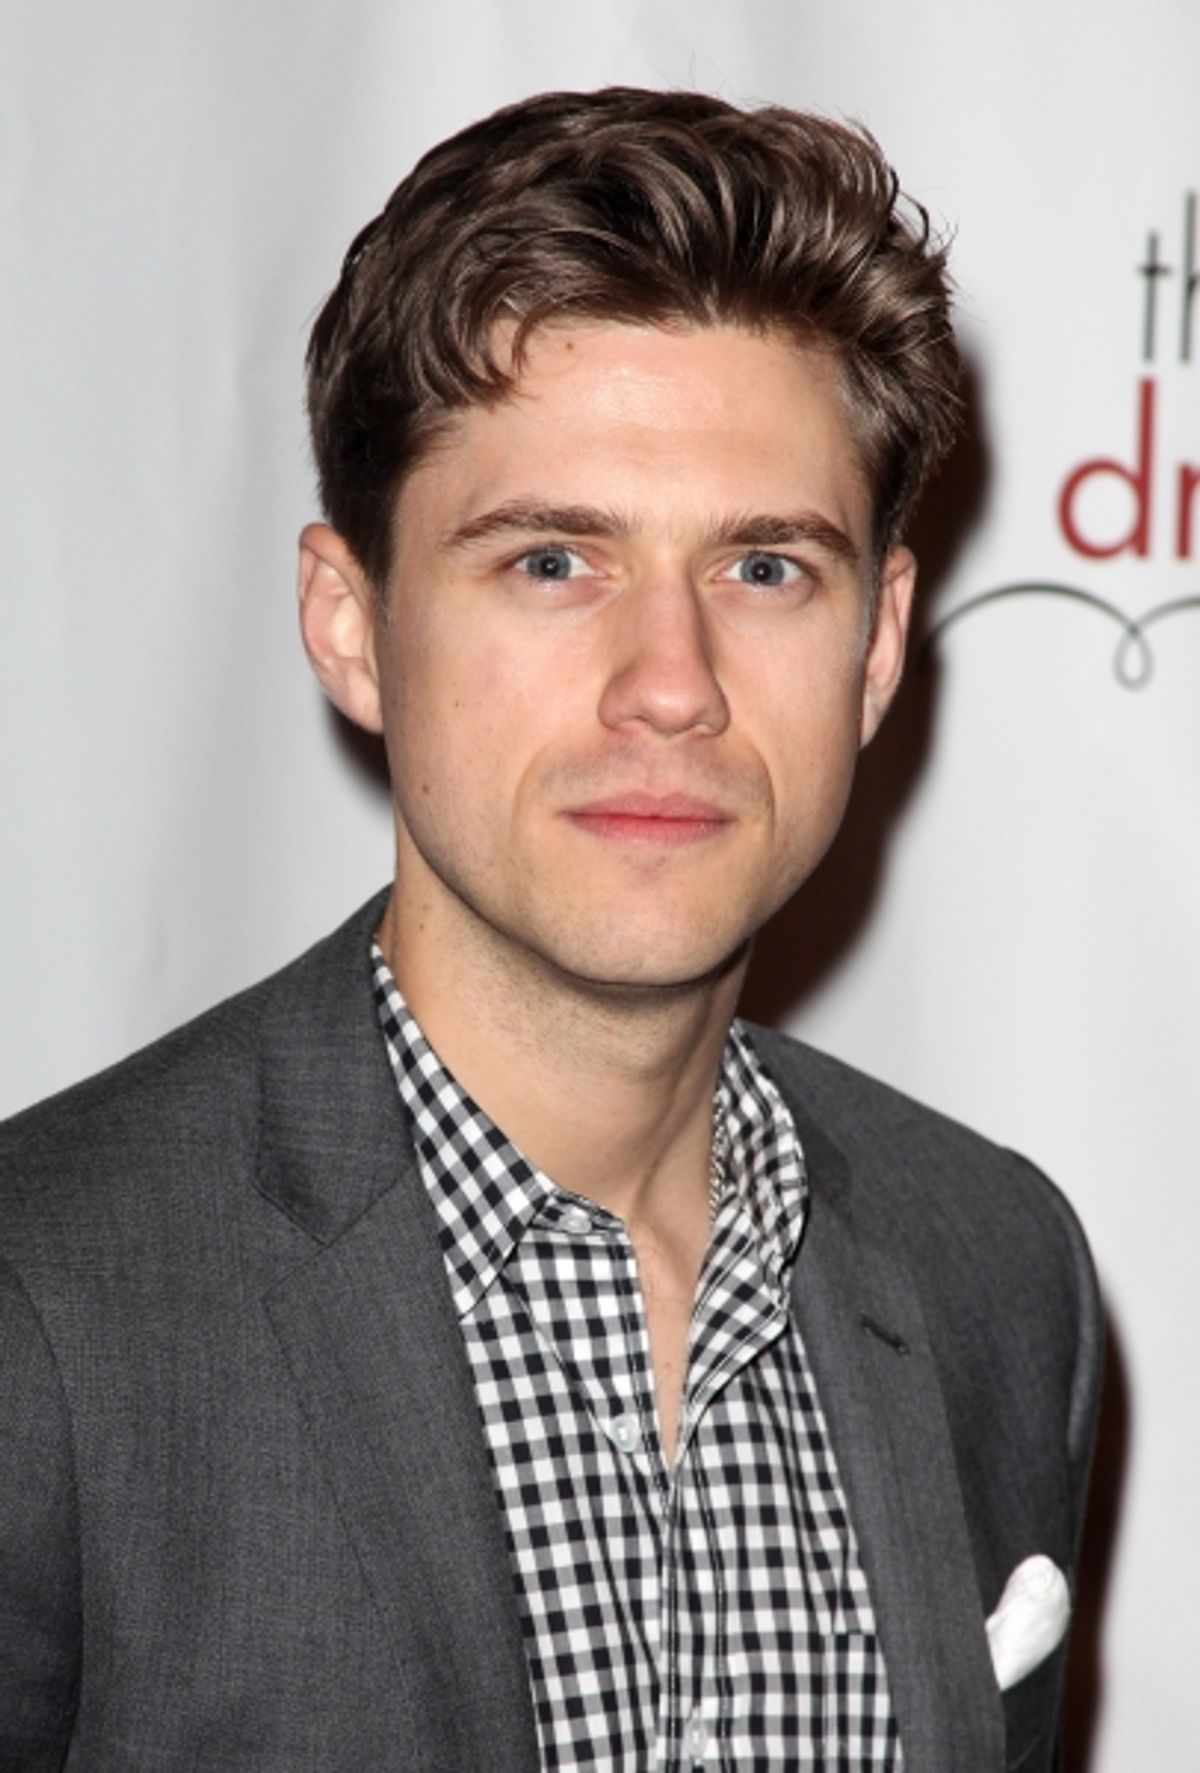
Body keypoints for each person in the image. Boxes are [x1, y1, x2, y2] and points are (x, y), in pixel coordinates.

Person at [0, 87, 1100, 1773]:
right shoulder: (46, 1307)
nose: (670, 685)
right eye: (549, 563)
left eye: (764, 571)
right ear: (351, 625)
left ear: (879, 643)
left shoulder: (995, 1270)